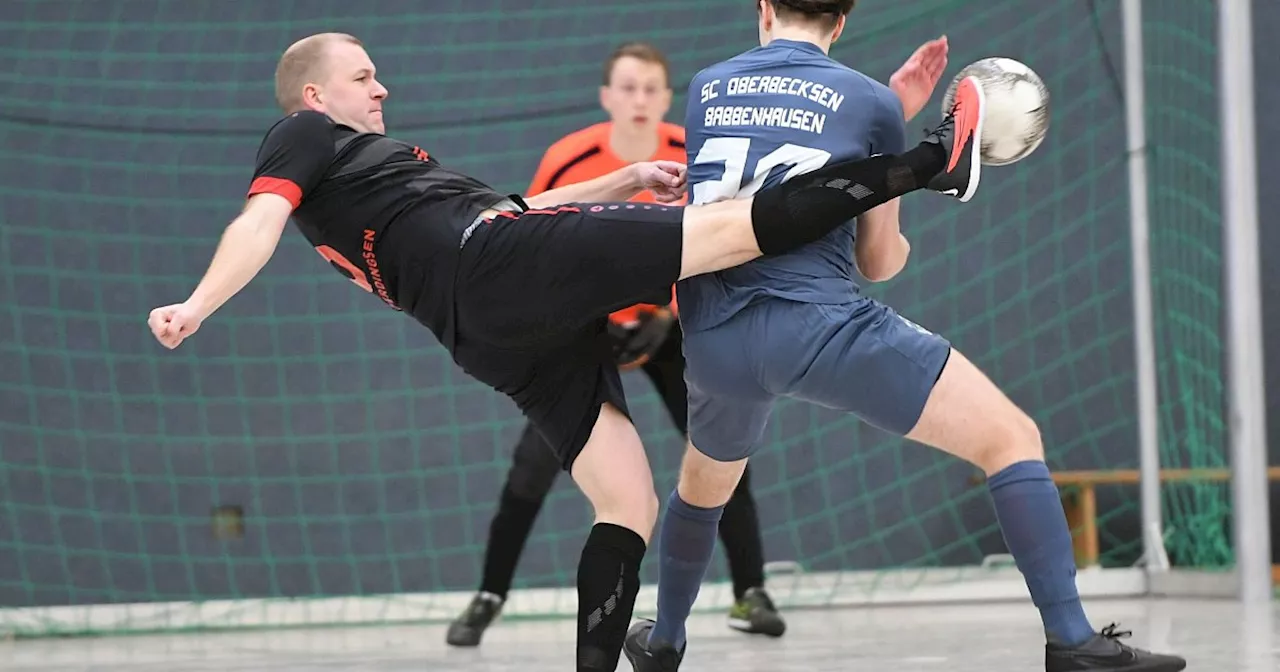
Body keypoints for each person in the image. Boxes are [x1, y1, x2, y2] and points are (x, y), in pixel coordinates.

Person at [144, 31, 980, 672]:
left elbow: (515, 206)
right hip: (496, 268)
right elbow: (257, 221)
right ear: (315, 94)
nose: (382, 85)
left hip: (485, 332)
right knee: (728, 234)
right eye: (364, 76)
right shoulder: (301, 134)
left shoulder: (369, 177)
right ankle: (926, 163)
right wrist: (197, 303)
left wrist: (612, 184)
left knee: (628, 503)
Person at [621, 3, 1186, 672]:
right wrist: (889, 122)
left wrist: (882, 111)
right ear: (844, 19)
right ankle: (1071, 643)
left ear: (765, 7)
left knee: (705, 483)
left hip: (713, 338)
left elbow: (771, 143)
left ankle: (664, 643)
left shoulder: (707, 86)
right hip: (815, 329)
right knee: (1011, 439)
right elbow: (877, 261)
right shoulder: (867, 101)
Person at [445, 42, 784, 649]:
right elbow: (529, 244)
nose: (639, 99)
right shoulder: (569, 158)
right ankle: (489, 594)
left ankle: (751, 590)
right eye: (627, 88)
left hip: (673, 323)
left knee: (721, 450)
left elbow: (726, 240)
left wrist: (666, 312)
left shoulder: (698, 153)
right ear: (607, 97)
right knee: (533, 465)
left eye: (651, 88)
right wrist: (591, 318)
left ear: (666, 96)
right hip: (583, 328)